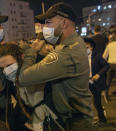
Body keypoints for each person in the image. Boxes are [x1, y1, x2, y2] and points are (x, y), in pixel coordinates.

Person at [18, 2, 93, 131]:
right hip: (79, 116)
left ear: (64, 23)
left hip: (74, 122)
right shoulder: (76, 42)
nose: (43, 28)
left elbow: (24, 77)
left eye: (48, 23)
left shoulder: (65, 53)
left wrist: (32, 51)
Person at [84, 38, 109, 127]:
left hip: (95, 83)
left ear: (92, 47)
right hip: (85, 83)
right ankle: (90, 119)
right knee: (85, 102)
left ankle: (102, 119)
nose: (85, 49)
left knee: (97, 102)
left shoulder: (97, 56)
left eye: (87, 47)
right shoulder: (81, 57)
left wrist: (98, 74)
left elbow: (106, 65)